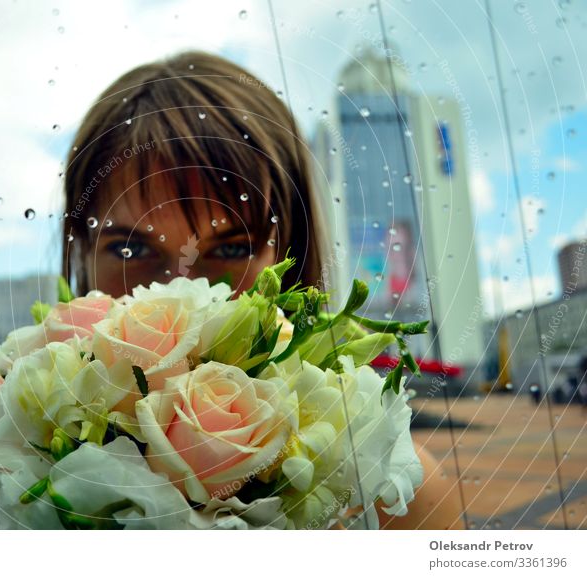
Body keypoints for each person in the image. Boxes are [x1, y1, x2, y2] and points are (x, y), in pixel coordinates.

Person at [60, 50, 465, 530]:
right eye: (131, 251)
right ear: (83, 256)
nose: (181, 291)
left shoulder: (386, 494)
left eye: (231, 250)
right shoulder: (18, 477)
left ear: (290, 255)